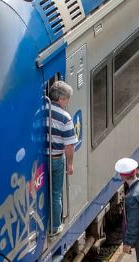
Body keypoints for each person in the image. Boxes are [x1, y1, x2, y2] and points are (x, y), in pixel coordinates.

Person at [47, 81, 78, 235]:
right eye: (67, 99)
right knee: (55, 193)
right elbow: (69, 146)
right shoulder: (65, 118)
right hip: (56, 160)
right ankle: (55, 227)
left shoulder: (40, 110)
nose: (68, 102)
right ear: (60, 99)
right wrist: (70, 165)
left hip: (39, 162)